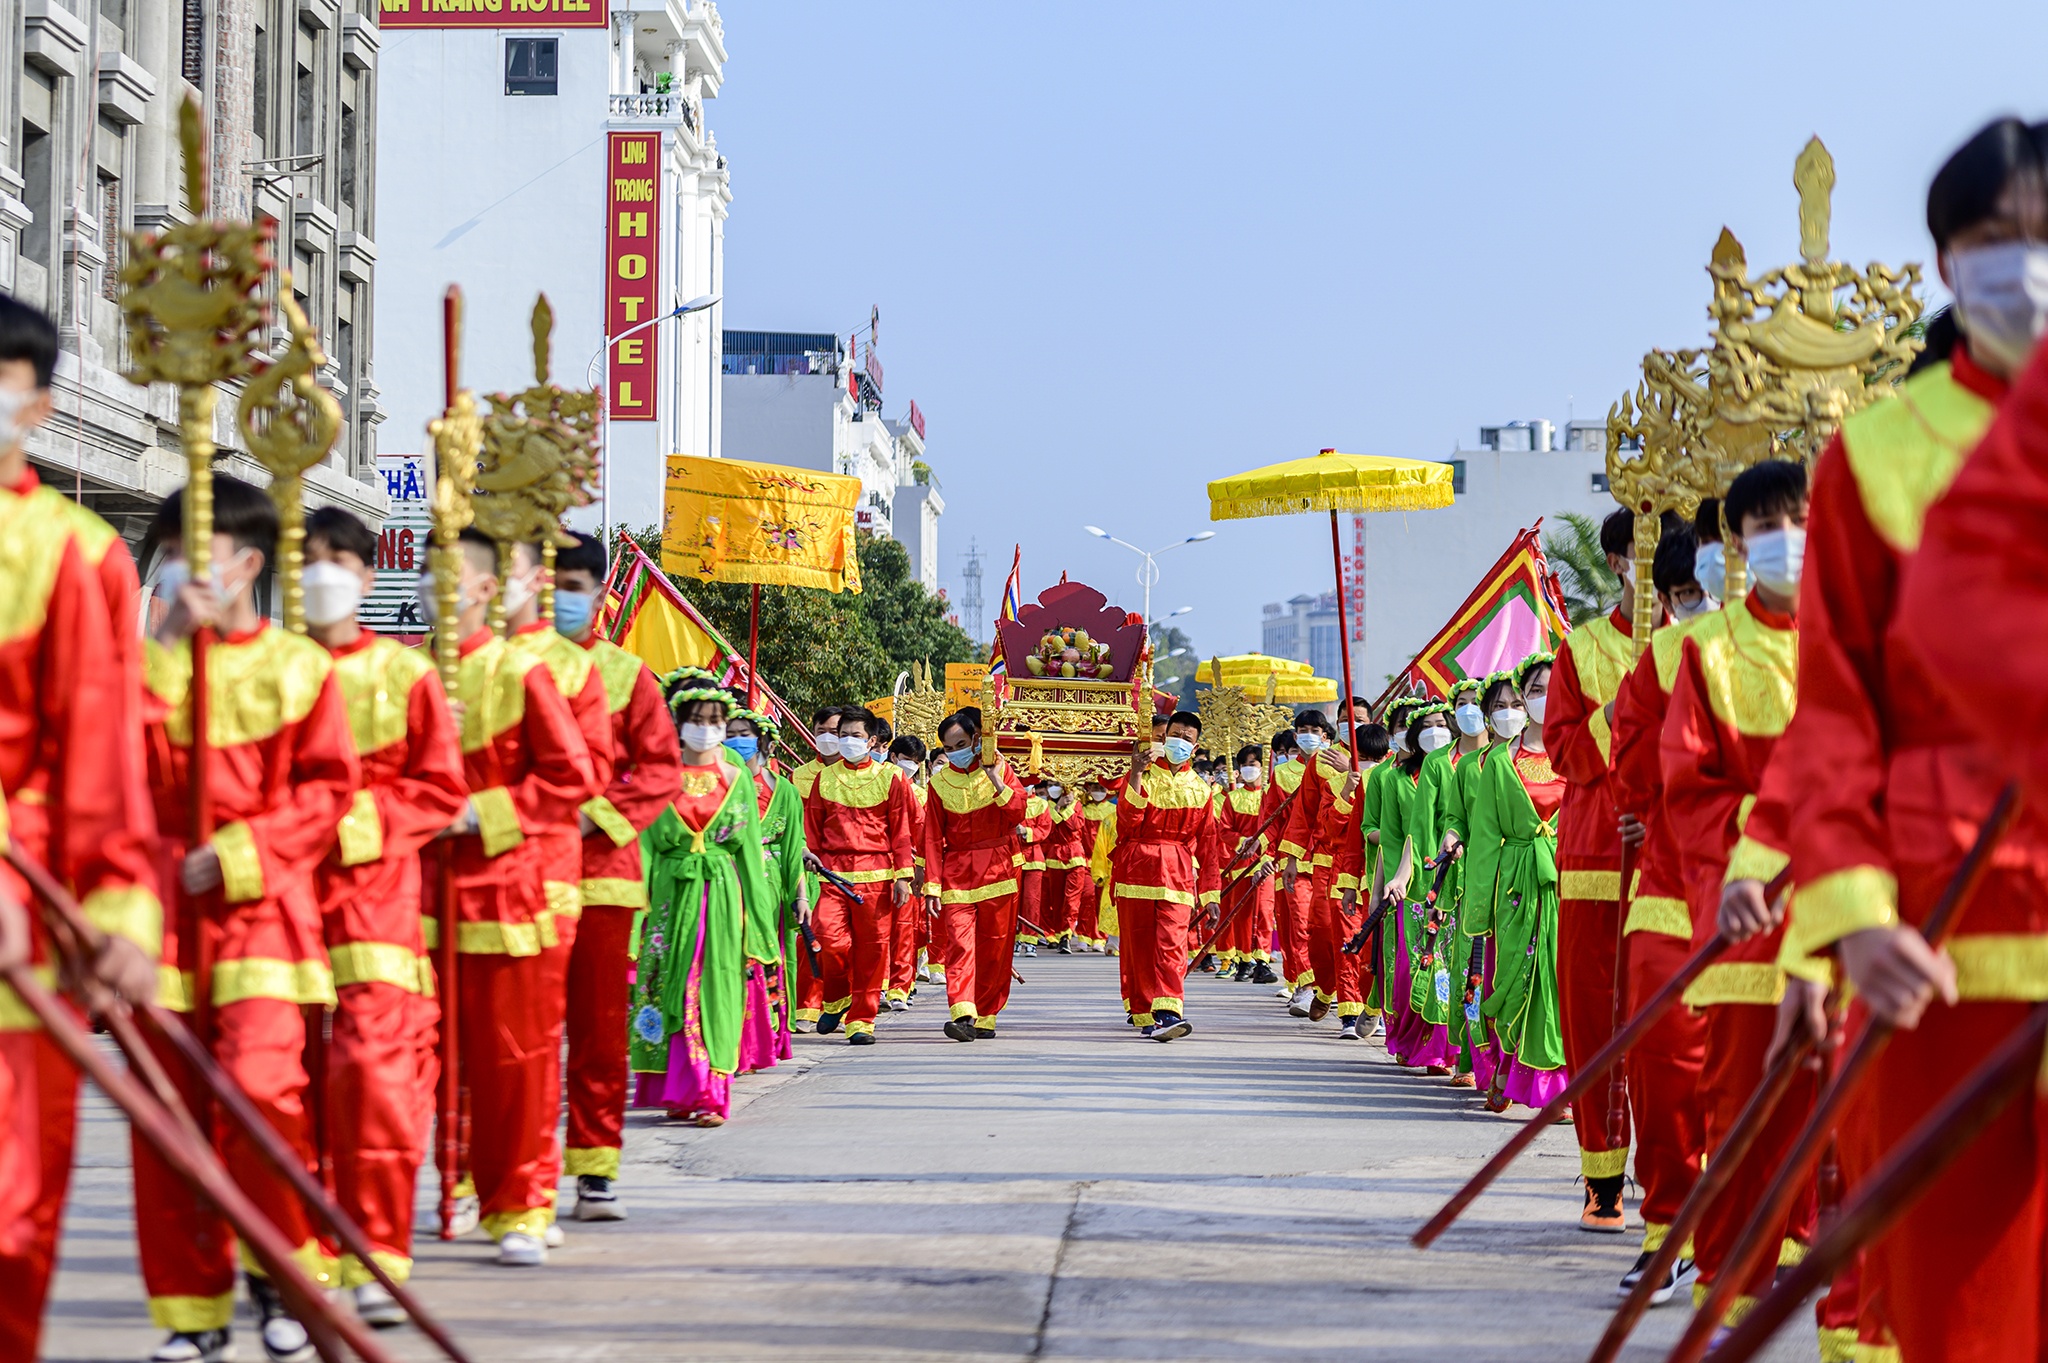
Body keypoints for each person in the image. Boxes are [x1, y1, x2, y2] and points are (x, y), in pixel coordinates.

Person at [1784, 116, 2048, 1363]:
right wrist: (1849, 914)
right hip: (1944, 946)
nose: (2024, 266)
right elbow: (1834, 710)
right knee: (1963, 1314)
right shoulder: (1877, 456)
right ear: (1947, 261)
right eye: (1997, 239)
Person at [135, 478, 361, 1360]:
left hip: (263, 918)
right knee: (168, 1115)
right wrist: (164, 648)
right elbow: (111, 769)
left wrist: (239, 853)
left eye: (199, 550)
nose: (181, 568)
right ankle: (191, 1310)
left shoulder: (297, 667)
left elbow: (327, 789)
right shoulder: (143, 667)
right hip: (162, 918)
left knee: (262, 1096)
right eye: (170, 552)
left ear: (248, 564)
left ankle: (281, 1277)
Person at [0, 293, 161, 1362]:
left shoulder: (77, 554)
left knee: (11, 1211)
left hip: (23, 930)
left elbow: (99, 760)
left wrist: (118, 913)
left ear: (40, 404)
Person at [301, 508, 467, 1326]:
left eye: (337, 560)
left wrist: (352, 823)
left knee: (373, 1076)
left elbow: (440, 789)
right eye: (307, 559)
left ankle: (374, 1251)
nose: (320, 574)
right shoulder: (274, 666)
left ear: (368, 575)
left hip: (376, 901)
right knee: (289, 1082)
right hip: (282, 898)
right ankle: (301, 1254)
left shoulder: (405, 675)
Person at [1659, 459, 1812, 1335]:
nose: (1786, 538)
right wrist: (1760, 842)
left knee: (1855, 1116)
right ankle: (1731, 1294)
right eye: (1765, 526)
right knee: (1742, 1109)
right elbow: (1688, 790)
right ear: (1741, 543)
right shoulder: (1709, 651)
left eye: (1798, 519)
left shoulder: (1865, 637)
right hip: (1752, 915)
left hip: (1853, 912)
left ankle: (1853, 1314)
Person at [420, 526, 596, 1269]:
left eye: (450, 573)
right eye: (426, 571)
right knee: (430, 1058)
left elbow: (571, 777)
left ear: (487, 587)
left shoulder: (520, 673)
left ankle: (521, 1199)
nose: (434, 586)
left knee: (515, 1055)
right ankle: (453, 1182)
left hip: (505, 890)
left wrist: (477, 813)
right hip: (418, 894)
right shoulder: (405, 671)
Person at [548, 531, 680, 1222]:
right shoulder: (508, 666)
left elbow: (659, 770)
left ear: (599, 592)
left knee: (598, 1031)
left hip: (601, 877)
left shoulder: (627, 675)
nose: (558, 599)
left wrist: (591, 816)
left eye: (572, 586)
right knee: (522, 1032)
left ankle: (595, 1168)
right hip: (519, 872)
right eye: (549, 585)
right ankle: (514, 1171)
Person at [1601, 519, 1715, 1301]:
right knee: (1662, 1064)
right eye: (1685, 594)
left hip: (1776, 891)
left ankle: (1779, 1226)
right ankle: (1670, 1226)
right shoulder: (1663, 660)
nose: (1700, 604)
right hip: (1671, 886)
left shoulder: (1806, 651)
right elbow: (1633, 761)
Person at [1545, 507, 1664, 1228]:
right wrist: (1619, 707)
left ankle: (1673, 1173)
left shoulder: (1702, 646)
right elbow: (1563, 751)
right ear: (1617, 561)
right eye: (1641, 551)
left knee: (1671, 1025)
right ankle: (1603, 1178)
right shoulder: (1583, 649)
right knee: (1595, 1020)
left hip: (1677, 859)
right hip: (1595, 860)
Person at [630, 674, 776, 1125]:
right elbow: (643, 851)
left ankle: (712, 1093)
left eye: (715, 721)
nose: (706, 729)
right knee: (666, 982)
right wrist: (634, 920)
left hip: (721, 895)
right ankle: (677, 1091)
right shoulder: (657, 778)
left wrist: (760, 927)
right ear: (678, 723)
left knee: (717, 984)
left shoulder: (736, 779)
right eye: (696, 720)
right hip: (670, 896)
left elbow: (749, 854)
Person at [1462, 656, 1568, 1114]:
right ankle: (1506, 1068)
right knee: (1512, 977)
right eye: (1537, 690)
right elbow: (1485, 837)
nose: (1545, 698)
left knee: (1559, 981)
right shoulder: (1500, 761)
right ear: (1525, 698)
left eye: (1553, 688)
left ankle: (1557, 1087)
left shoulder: (1582, 752)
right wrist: (1479, 907)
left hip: (1566, 881)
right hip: (1514, 887)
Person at [801, 705, 916, 1043]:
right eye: (843, 735)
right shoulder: (825, 777)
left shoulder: (891, 777)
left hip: (877, 873)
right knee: (825, 938)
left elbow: (902, 830)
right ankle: (837, 997)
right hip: (832, 874)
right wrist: (808, 857)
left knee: (873, 950)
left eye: (855, 735)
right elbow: (813, 827)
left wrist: (903, 876)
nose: (847, 741)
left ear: (872, 741)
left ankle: (862, 1020)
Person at [1114, 710, 1225, 1041]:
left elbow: (1209, 846)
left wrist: (1211, 894)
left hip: (1177, 872)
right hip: (1136, 866)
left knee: (1173, 943)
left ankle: (1169, 1011)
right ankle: (1143, 1009)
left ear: (1195, 746)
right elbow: (1127, 824)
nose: (1177, 742)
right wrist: (1136, 774)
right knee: (1138, 946)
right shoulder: (1142, 775)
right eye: (1172, 736)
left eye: (1186, 739)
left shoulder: (1201, 789)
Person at [921, 709, 1030, 1039]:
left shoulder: (1002, 769)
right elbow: (931, 836)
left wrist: (995, 779)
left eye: (961, 744)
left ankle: (986, 1014)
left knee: (995, 947)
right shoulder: (939, 783)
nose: (955, 751)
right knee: (959, 943)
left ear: (977, 740)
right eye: (949, 747)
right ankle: (963, 1012)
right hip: (957, 871)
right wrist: (931, 886)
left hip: (998, 868)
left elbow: (1017, 813)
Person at [1374, 703, 1458, 1069]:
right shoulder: (1394, 779)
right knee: (1412, 967)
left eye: (1441, 724)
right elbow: (1396, 837)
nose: (1435, 731)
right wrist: (1392, 881)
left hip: (1460, 878)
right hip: (1415, 882)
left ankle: (1448, 1051)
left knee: (1450, 965)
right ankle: (1413, 1041)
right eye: (1426, 726)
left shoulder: (1466, 767)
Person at [728, 706, 806, 1065]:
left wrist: (800, 895)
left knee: (769, 955)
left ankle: (767, 1034)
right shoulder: (722, 783)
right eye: (730, 734)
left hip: (770, 885)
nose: (736, 741)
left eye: (744, 735)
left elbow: (792, 849)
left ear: (764, 743)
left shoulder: (785, 792)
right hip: (726, 878)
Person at [788, 705, 843, 1032]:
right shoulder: (799, 776)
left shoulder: (867, 777)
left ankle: (842, 1001)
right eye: (822, 731)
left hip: (853, 868)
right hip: (810, 865)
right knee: (809, 935)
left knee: (843, 943)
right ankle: (807, 1007)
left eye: (835, 732)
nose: (828, 738)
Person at [1215, 744, 1277, 981]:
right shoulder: (1233, 798)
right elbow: (1224, 830)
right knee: (1242, 913)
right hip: (1241, 863)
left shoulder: (1271, 796)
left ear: (1263, 766)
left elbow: (1276, 828)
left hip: (1266, 862)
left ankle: (1262, 960)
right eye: (1244, 765)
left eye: (1253, 764)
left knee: (1264, 911)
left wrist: (1263, 849)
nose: (1248, 768)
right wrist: (1243, 842)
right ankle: (1244, 959)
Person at [885, 733, 929, 1009]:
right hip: (874, 864)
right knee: (877, 932)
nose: (911, 766)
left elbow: (922, 831)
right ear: (892, 757)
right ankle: (879, 985)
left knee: (906, 929)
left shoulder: (920, 794)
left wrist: (922, 867)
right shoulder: (876, 780)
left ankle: (900, 987)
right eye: (907, 759)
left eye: (916, 762)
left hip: (906, 865)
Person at [1038, 777, 1090, 953]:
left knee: (1072, 899)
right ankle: (1056, 933)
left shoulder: (1076, 805)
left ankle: (1066, 935)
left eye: (1057, 785)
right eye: (1051, 785)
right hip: (1055, 856)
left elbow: (1076, 825)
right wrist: (1058, 807)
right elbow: (1048, 828)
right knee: (1056, 900)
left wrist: (1065, 808)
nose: (1054, 788)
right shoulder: (1046, 806)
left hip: (1075, 855)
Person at [1015, 778, 1054, 958]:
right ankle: (1015, 938)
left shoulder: (1041, 804)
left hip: (1033, 858)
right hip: (1013, 857)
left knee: (1032, 901)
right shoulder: (1009, 800)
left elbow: (1044, 830)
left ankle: (1030, 940)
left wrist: (1026, 832)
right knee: (1013, 902)